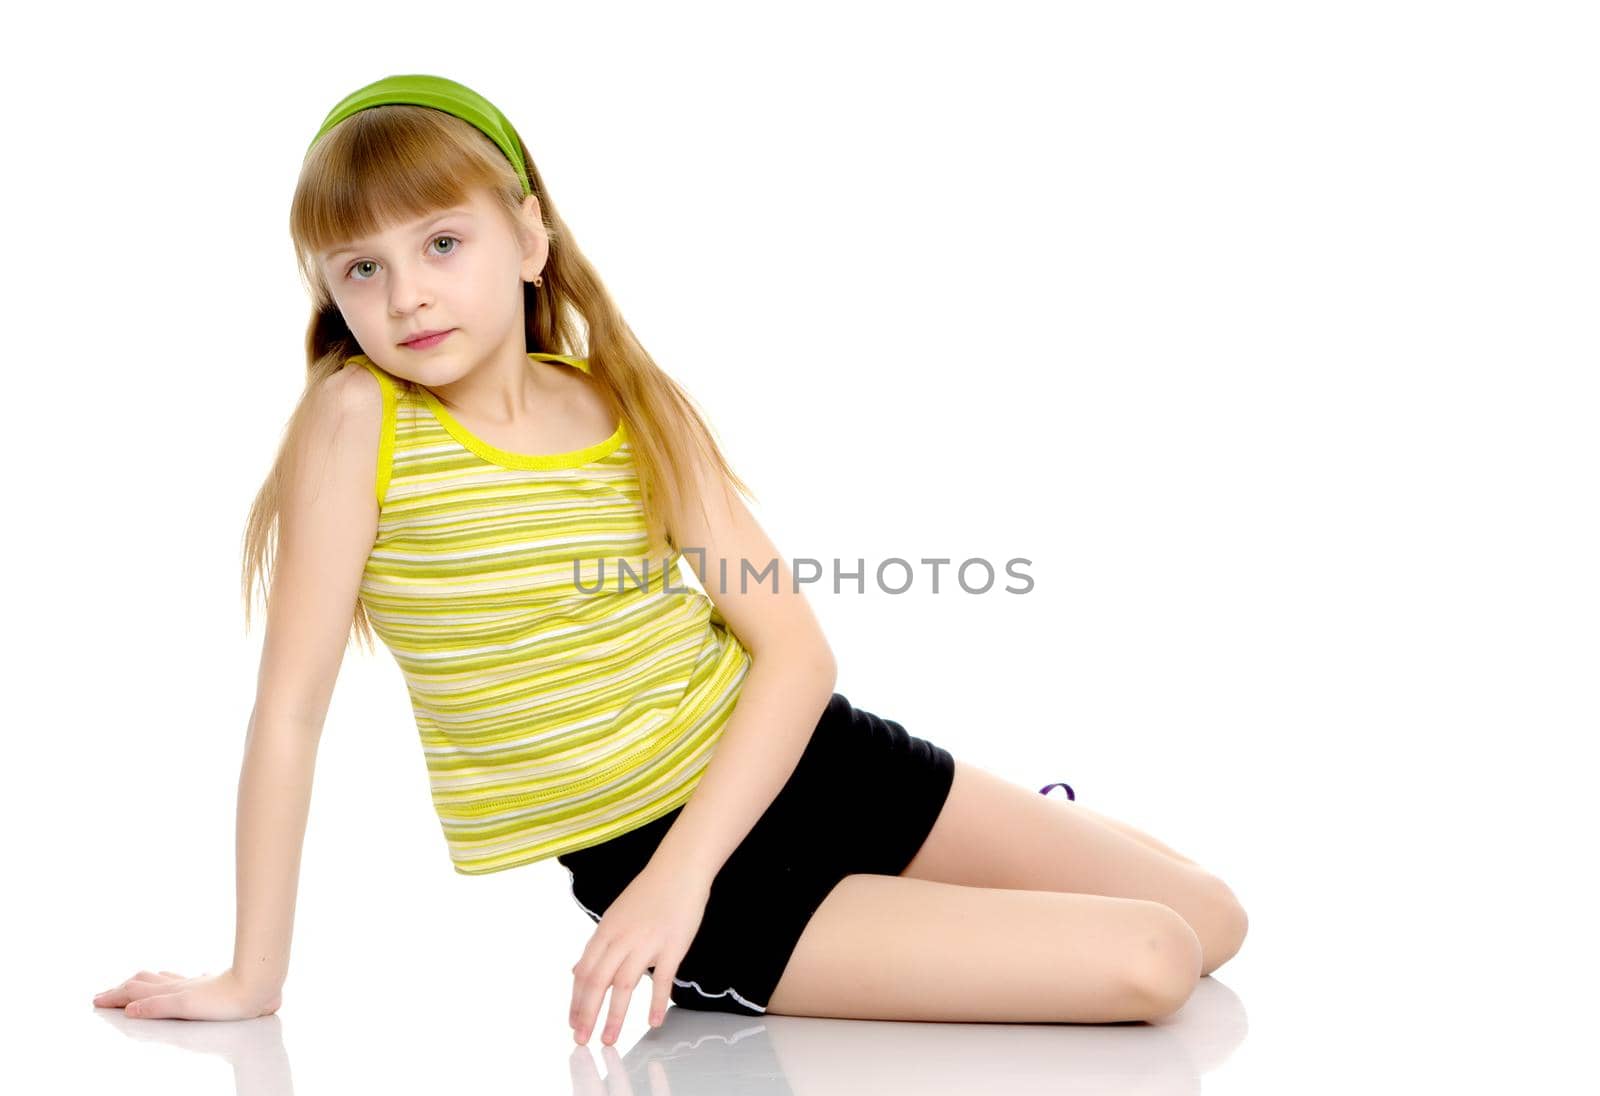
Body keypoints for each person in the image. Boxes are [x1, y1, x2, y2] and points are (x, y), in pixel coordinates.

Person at [92, 75, 1246, 1041]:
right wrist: (253, 977)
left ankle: (968, 868)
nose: (407, 294)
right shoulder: (357, 421)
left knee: (1214, 921)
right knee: (1151, 959)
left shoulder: (622, 399)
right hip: (683, 870)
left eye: (442, 242)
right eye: (362, 269)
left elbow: (793, 651)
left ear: (529, 237)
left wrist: (689, 864)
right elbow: (289, 710)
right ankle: (951, 893)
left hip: (813, 762)